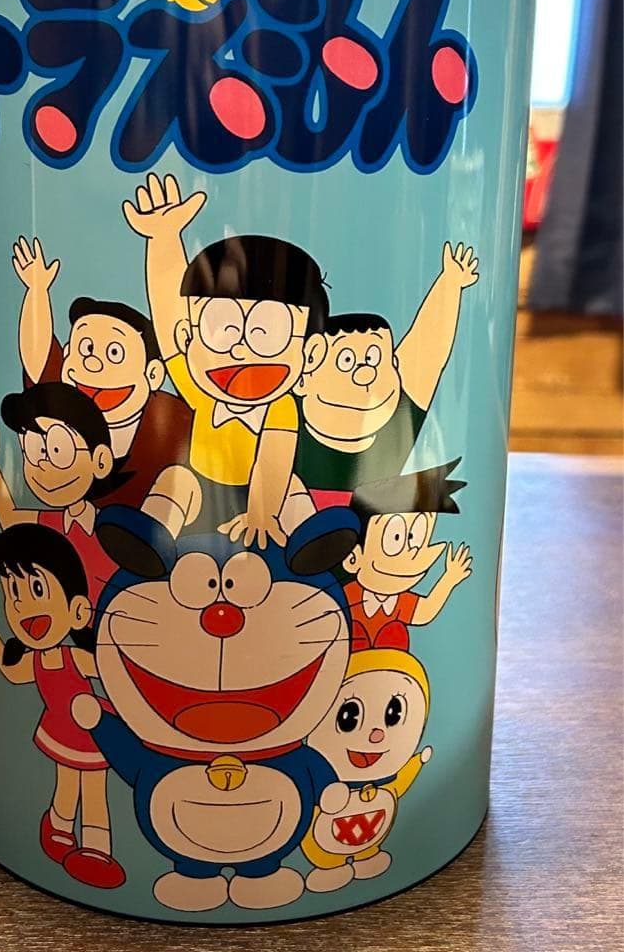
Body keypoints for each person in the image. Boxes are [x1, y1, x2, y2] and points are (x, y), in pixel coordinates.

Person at [100, 172, 324, 572]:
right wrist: (164, 238)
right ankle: (150, 538)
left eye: (267, 331)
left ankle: (312, 542)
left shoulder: (280, 408)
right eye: (222, 327)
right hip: (202, 487)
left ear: (308, 352)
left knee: (290, 488)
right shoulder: (202, 388)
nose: (241, 346)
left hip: (262, 493)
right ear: (191, 336)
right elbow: (168, 322)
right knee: (176, 482)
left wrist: (261, 512)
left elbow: (273, 457)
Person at [0, 523, 125, 888]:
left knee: (94, 790)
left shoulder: (77, 658)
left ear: (77, 610)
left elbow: (111, 669)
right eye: (14, 592)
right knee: (67, 785)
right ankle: (57, 826)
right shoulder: (40, 660)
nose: (24, 605)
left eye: (38, 589)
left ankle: (97, 851)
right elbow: (13, 674)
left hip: (92, 732)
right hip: (61, 732)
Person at [295, 242, 479, 504]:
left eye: (373, 359)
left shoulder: (397, 420)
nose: (364, 375)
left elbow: (428, 352)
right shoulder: (283, 416)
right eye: (346, 360)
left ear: (395, 365)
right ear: (305, 375)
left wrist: (449, 284)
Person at [12, 238, 192, 507]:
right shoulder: (63, 403)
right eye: (86, 349)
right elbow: (38, 355)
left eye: (115, 353)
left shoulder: (171, 416)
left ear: (153, 374)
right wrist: (36, 290)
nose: (94, 365)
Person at [0, 383, 117, 604]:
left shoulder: (113, 527)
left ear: (100, 461)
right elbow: (10, 518)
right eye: (34, 451)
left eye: (58, 450)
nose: (42, 465)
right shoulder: (52, 523)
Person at [302, 648, 432, 890]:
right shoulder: (316, 776)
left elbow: (402, 781)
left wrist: (417, 761)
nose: (376, 735)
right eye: (349, 718)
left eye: (394, 715)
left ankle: (366, 856)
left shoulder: (387, 780)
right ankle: (329, 866)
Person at [342, 461, 472, 651]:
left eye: (416, 538)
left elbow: (424, 611)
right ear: (353, 558)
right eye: (395, 538)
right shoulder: (348, 595)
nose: (412, 553)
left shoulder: (401, 602)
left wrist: (449, 579)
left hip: (400, 666)